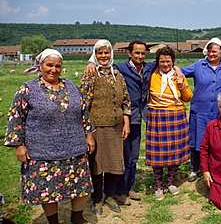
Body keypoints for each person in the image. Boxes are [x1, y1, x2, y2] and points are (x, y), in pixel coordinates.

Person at [84, 40, 183, 205]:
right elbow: (103, 64)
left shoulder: (148, 67)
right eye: (137, 53)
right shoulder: (120, 68)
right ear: (129, 53)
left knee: (133, 157)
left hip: (138, 117)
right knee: (120, 156)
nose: (140, 56)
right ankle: (118, 191)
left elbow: (167, 63)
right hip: (122, 118)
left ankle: (129, 188)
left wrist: (178, 69)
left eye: (143, 53)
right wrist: (90, 63)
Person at [5, 49, 95, 224]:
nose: (54, 69)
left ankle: (77, 218)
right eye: (49, 65)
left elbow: (83, 112)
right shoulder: (27, 89)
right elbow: (16, 117)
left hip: (74, 149)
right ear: (40, 66)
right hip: (42, 152)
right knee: (48, 188)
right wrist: (19, 145)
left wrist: (89, 136)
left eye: (58, 66)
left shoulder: (70, 85)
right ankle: (53, 221)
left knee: (80, 186)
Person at [79, 40, 131, 214]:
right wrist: (87, 130)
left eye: (106, 53)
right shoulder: (90, 74)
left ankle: (109, 195)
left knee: (114, 164)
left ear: (111, 54)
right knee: (97, 165)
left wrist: (126, 123)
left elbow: (126, 101)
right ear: (95, 54)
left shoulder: (117, 75)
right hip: (97, 128)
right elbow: (83, 104)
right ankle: (96, 199)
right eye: (100, 53)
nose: (103, 56)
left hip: (116, 128)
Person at [146, 46, 193, 200]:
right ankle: (159, 185)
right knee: (158, 153)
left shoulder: (179, 76)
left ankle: (171, 182)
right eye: (162, 61)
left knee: (175, 150)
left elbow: (187, 98)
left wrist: (181, 84)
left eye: (168, 61)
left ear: (173, 62)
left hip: (176, 115)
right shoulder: (151, 75)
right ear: (157, 62)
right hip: (157, 116)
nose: (165, 64)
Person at [181, 37, 221, 182]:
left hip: (218, 112)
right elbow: (180, 72)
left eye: (214, 51)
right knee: (197, 141)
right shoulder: (198, 66)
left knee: (217, 142)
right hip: (200, 111)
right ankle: (194, 169)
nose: (211, 54)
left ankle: (214, 168)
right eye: (209, 51)